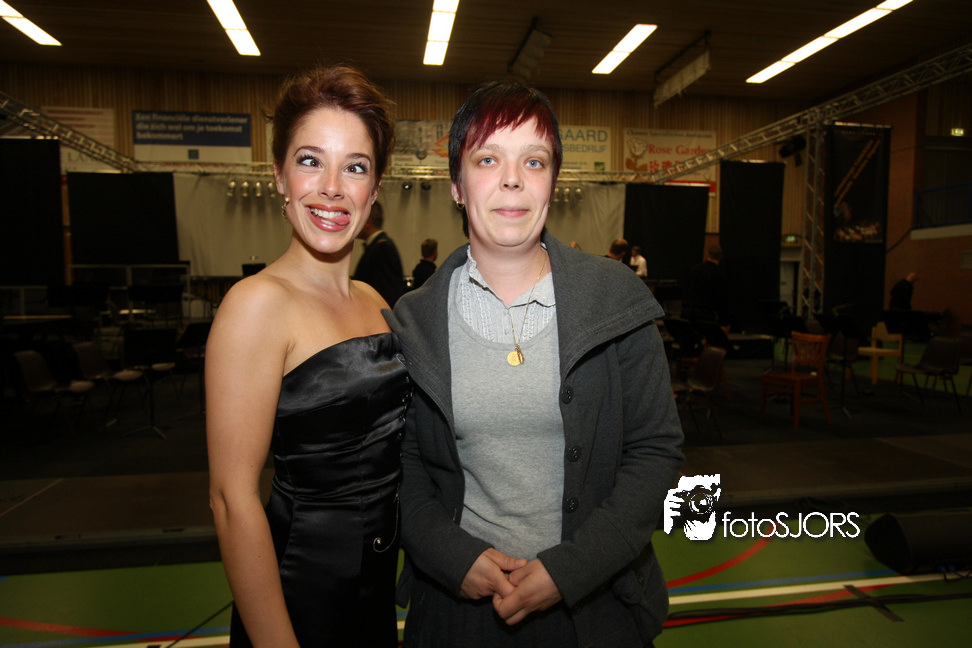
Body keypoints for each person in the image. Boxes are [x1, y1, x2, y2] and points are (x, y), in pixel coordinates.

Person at [387, 81, 684, 647]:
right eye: (487, 159)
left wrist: (569, 570)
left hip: (595, 614)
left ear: (553, 181)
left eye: (534, 160)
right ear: (456, 186)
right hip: (456, 618)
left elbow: (656, 452)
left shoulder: (615, 300)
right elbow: (403, 468)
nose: (512, 179)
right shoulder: (413, 322)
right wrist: (454, 556)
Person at [206, 65, 406, 648]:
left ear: (375, 189)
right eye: (311, 160)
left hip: (375, 595)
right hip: (299, 601)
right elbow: (232, 500)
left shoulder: (374, 302)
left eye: (356, 167)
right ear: (278, 175)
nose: (332, 188)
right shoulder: (256, 305)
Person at [354, 201, 407, 305]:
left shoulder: (382, 248)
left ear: (368, 222)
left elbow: (387, 292)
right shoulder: (378, 246)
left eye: (359, 219)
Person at [681, 244, 730, 327]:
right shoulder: (718, 274)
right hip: (705, 315)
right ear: (721, 257)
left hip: (687, 312)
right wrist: (724, 320)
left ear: (708, 254)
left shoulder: (694, 269)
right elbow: (721, 299)